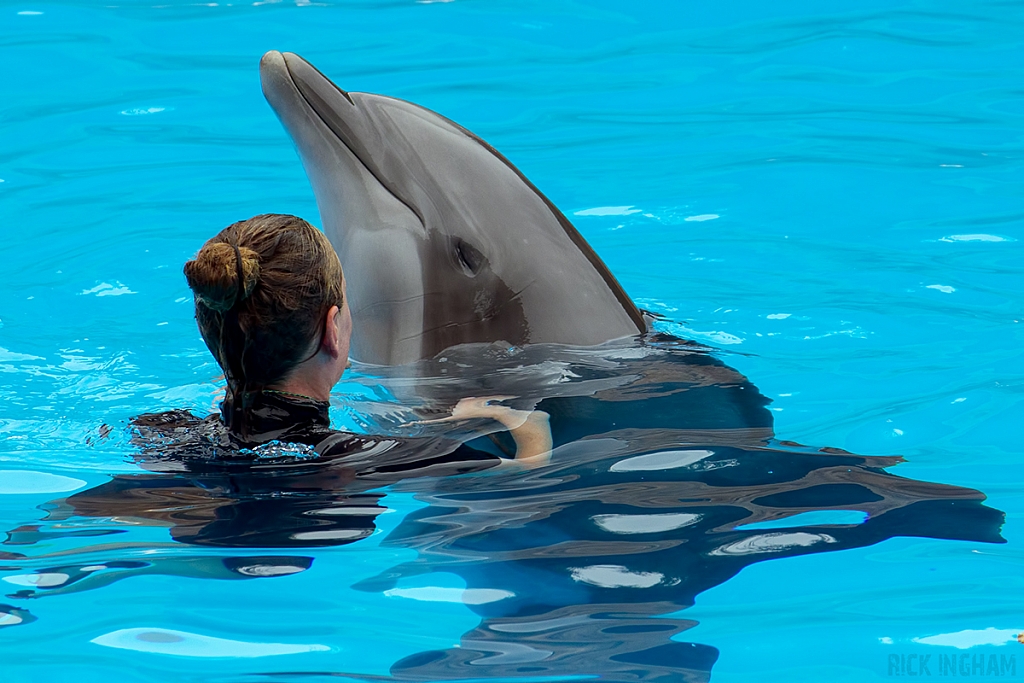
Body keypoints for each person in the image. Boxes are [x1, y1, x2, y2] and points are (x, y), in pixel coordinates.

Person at [146, 213, 551, 468]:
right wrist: (524, 423)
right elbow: (525, 476)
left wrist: (244, 387)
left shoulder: (161, 431)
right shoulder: (387, 455)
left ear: (208, 332)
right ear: (333, 329)